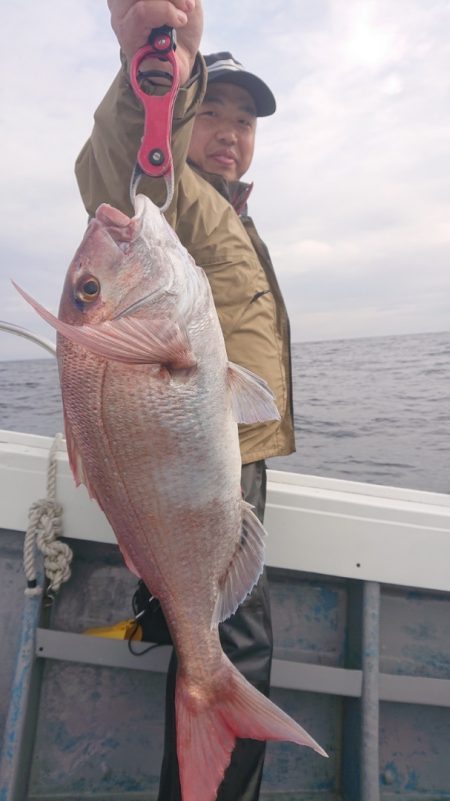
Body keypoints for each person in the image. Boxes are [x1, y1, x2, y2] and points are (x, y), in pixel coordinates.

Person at [75, 2, 295, 799]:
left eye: (246, 123)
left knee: (227, 640)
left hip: (223, 455)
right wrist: (158, 66)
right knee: (233, 645)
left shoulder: (233, 216)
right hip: (201, 467)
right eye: (216, 114)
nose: (231, 134)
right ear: (185, 117)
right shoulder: (173, 201)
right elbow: (122, 167)